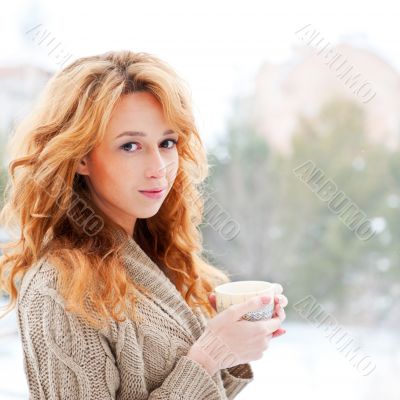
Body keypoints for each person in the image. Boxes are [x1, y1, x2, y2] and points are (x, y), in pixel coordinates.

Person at [0, 50, 288, 399]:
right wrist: (209, 353)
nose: (159, 167)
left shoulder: (153, 252)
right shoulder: (57, 288)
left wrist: (227, 341)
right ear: (80, 158)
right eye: (131, 145)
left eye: (167, 143)